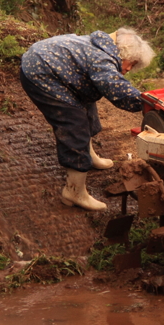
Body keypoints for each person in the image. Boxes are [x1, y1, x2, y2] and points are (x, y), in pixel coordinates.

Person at [19, 28, 154, 211]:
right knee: (74, 124)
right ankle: (74, 193)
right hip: (41, 74)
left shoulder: (101, 44)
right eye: (131, 63)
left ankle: (89, 156)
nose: (129, 69)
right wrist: (147, 102)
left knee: (86, 105)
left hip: (48, 65)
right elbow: (117, 90)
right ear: (124, 53)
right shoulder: (103, 59)